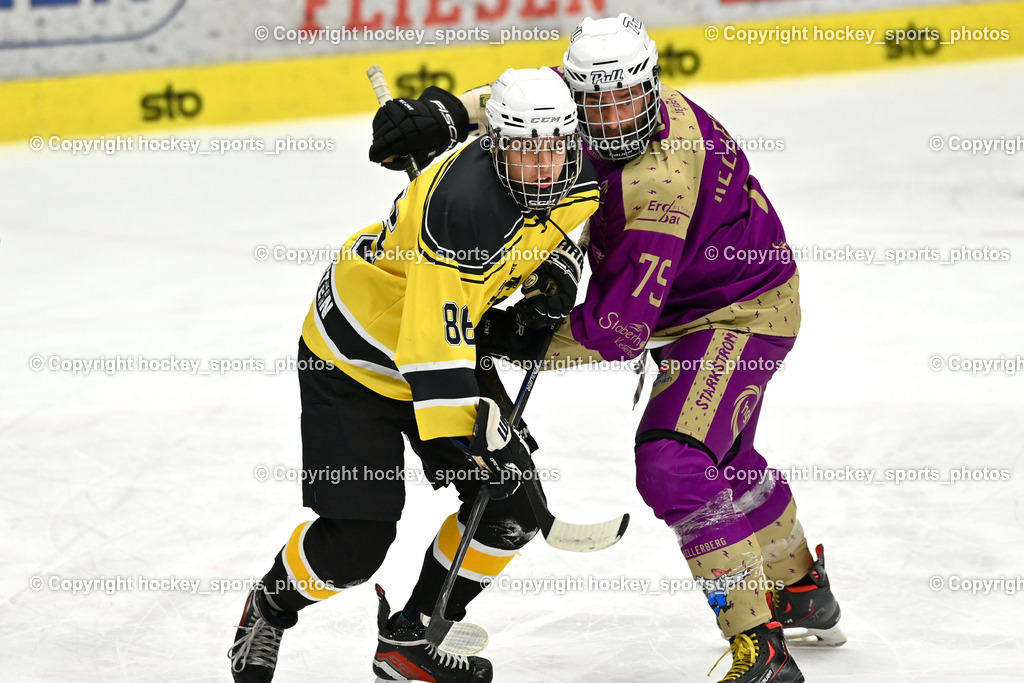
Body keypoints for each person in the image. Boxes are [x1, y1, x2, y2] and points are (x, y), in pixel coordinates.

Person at [369, 13, 845, 683]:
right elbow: (538, 102)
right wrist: (449, 114)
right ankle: (801, 586)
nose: (616, 116)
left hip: (739, 314)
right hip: (719, 294)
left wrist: (513, 337)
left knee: (676, 461)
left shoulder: (658, 183)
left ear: (649, 86)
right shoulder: (596, 91)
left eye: (627, 99)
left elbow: (618, 330)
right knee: (724, 457)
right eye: (600, 102)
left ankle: (759, 644)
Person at [229, 66, 599, 683]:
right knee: (355, 545)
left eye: (553, 147)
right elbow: (433, 347)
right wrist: (470, 434)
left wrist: (555, 263)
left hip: (441, 341)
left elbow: (559, 96)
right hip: (355, 357)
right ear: (495, 144)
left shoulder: (577, 161)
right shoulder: (460, 209)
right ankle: (268, 606)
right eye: (525, 151)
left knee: (509, 510)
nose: (544, 166)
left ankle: (413, 637)